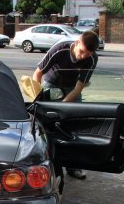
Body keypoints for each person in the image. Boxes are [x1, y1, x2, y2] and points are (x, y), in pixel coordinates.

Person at [32, 30, 100, 180]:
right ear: (76, 43)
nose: (83, 56)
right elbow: (37, 73)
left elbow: (79, 88)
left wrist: (63, 105)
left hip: (72, 88)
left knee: (74, 126)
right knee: (45, 124)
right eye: (81, 51)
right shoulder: (60, 49)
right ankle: (43, 165)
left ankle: (73, 167)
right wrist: (37, 97)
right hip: (51, 83)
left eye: (87, 54)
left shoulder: (92, 59)